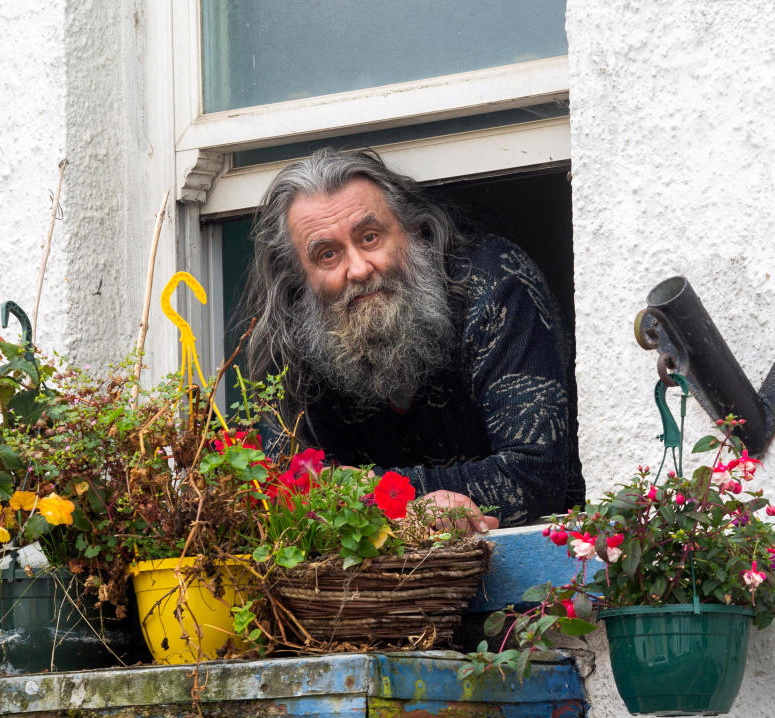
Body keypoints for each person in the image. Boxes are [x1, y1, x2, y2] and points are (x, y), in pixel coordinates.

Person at [241, 148, 583, 531]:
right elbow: (279, 494)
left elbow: (535, 479)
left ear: (414, 232)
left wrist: (382, 494)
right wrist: (405, 503)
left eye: (370, 237)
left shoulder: (496, 286)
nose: (357, 268)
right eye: (327, 255)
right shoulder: (290, 336)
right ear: (300, 279)